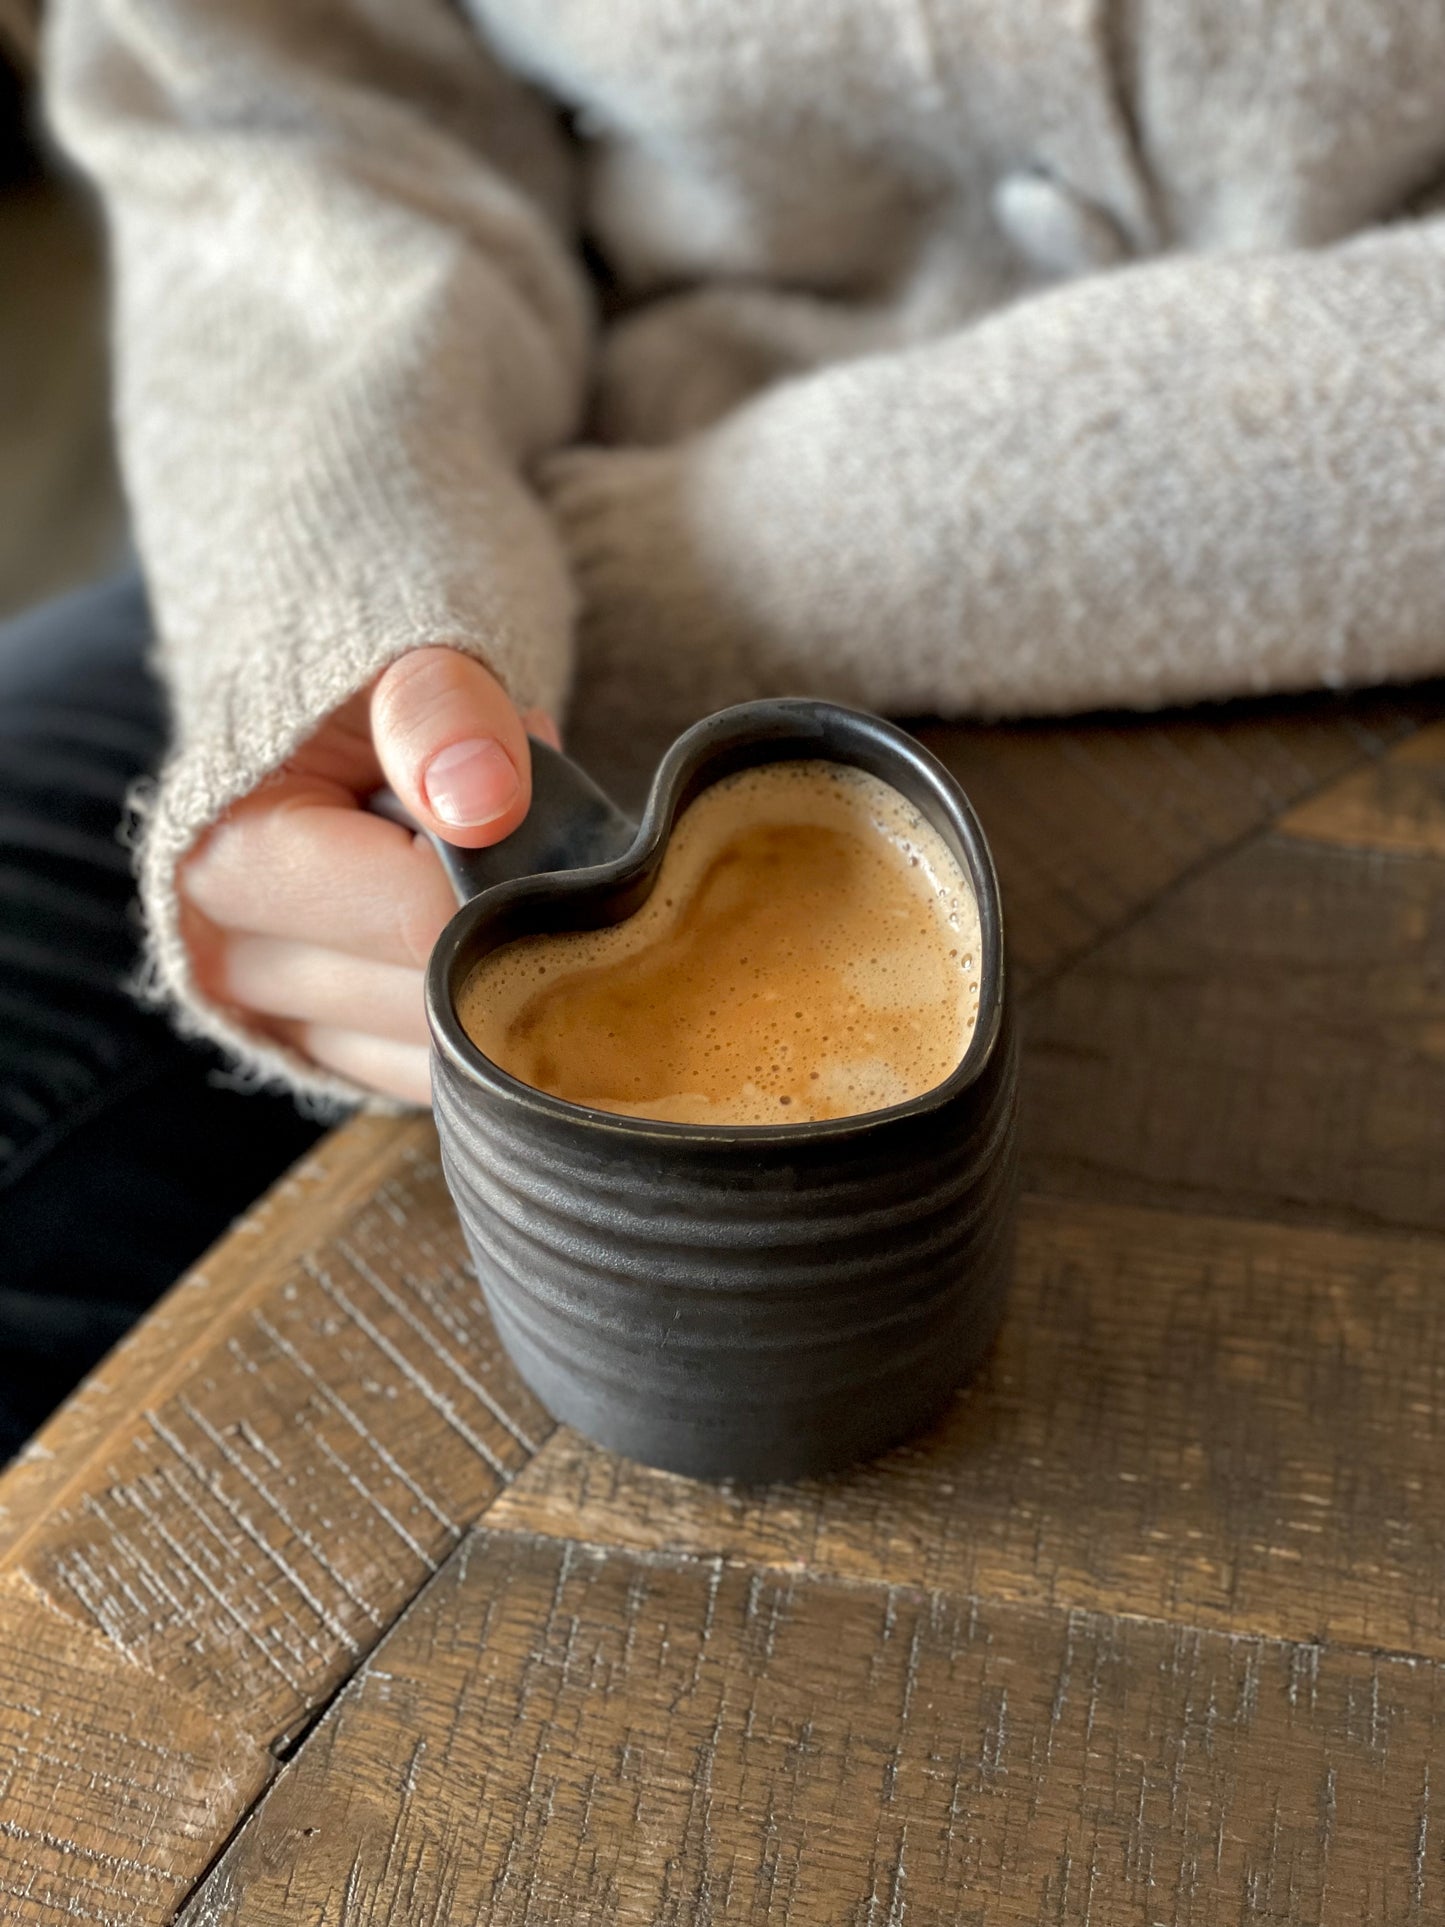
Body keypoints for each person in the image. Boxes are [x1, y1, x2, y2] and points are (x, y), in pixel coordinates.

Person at [5, 0, 1445, 1435]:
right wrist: (334, 592)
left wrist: (670, 566)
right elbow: (273, 103)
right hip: (500, 502)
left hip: (1351, 580)